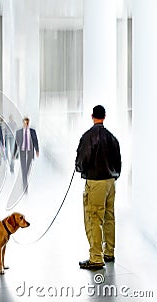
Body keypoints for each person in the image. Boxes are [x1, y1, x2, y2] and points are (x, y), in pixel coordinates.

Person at [75, 105, 121, 270]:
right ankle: (109, 252)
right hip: (110, 182)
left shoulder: (88, 136)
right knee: (109, 217)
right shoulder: (112, 137)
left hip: (95, 182)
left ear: (92, 116)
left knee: (94, 218)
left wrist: (80, 167)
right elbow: (118, 162)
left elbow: (81, 161)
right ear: (105, 116)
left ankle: (95, 258)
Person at [14, 117, 39, 193]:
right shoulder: (19, 132)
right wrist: (14, 153)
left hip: (30, 152)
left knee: (27, 169)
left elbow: (35, 141)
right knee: (23, 169)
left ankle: (24, 180)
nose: (26, 124)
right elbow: (16, 143)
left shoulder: (32, 131)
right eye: (25, 123)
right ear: (23, 123)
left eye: (27, 123)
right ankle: (25, 187)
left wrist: (37, 150)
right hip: (22, 152)